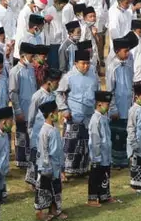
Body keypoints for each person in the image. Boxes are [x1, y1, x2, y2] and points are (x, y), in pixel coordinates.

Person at [59, 49, 97, 179]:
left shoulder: (93, 76)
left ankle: (82, 169)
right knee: (70, 145)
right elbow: (59, 93)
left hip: (89, 116)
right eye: (83, 63)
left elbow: (97, 94)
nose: (86, 66)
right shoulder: (68, 77)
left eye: (88, 63)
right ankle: (64, 170)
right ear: (76, 63)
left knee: (86, 144)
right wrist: (64, 109)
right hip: (73, 115)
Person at [25, 68, 60, 188]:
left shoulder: (53, 95)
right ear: (49, 82)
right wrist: (30, 131)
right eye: (56, 83)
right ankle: (34, 181)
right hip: (38, 131)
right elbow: (31, 115)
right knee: (37, 156)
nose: (58, 85)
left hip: (50, 130)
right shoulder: (37, 96)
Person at [105, 36, 135, 169]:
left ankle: (125, 158)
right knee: (117, 134)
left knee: (127, 133)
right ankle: (116, 161)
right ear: (117, 51)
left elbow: (131, 84)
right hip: (117, 105)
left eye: (128, 51)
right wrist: (113, 108)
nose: (127, 53)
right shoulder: (113, 68)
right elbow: (110, 89)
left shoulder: (128, 64)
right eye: (125, 51)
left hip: (128, 103)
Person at [35, 100, 65, 221]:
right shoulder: (44, 131)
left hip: (56, 165)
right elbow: (44, 151)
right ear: (50, 114)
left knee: (56, 188)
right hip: (47, 166)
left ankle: (54, 210)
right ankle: (40, 212)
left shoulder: (55, 128)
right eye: (56, 112)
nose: (58, 114)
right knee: (44, 190)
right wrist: (46, 167)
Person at [9, 43, 36, 169]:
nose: (33, 58)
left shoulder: (31, 68)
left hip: (32, 108)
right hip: (21, 108)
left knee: (30, 133)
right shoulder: (15, 71)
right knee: (21, 134)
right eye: (31, 56)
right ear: (23, 55)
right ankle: (21, 160)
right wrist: (18, 110)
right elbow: (13, 93)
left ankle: (30, 158)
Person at [88, 91, 115, 206]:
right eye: (107, 105)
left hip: (106, 153)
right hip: (98, 155)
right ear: (99, 104)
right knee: (95, 177)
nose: (108, 107)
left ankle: (104, 196)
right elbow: (95, 140)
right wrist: (96, 157)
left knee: (105, 175)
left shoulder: (103, 118)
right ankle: (92, 199)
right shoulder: (95, 119)